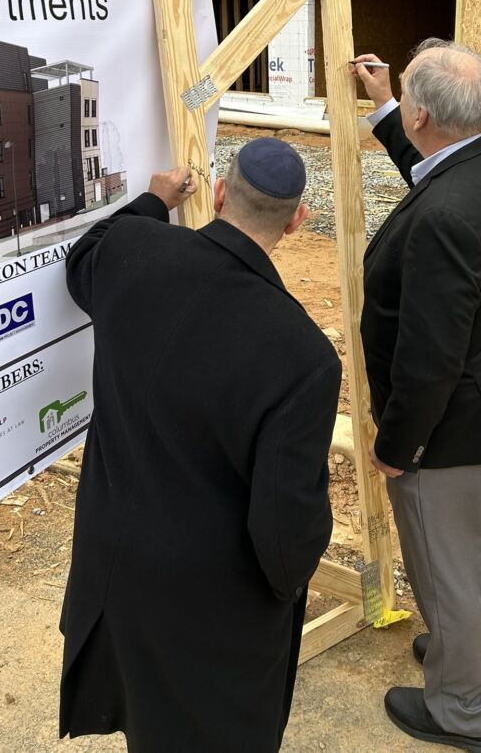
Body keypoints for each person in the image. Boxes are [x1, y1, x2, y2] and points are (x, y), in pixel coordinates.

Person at [59, 138, 341, 753]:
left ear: (216, 194)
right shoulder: (303, 354)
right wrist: (290, 583)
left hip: (113, 571)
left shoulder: (131, 252)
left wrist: (153, 202)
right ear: (296, 222)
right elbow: (285, 527)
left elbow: (84, 256)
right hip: (209, 613)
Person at [352, 41, 481, 752]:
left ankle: (462, 708)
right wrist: (385, 106)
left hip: (445, 424)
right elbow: (433, 173)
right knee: (475, 554)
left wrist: (398, 447)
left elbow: (428, 359)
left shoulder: (444, 219)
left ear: (427, 113)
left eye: (408, 110)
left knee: (444, 569)